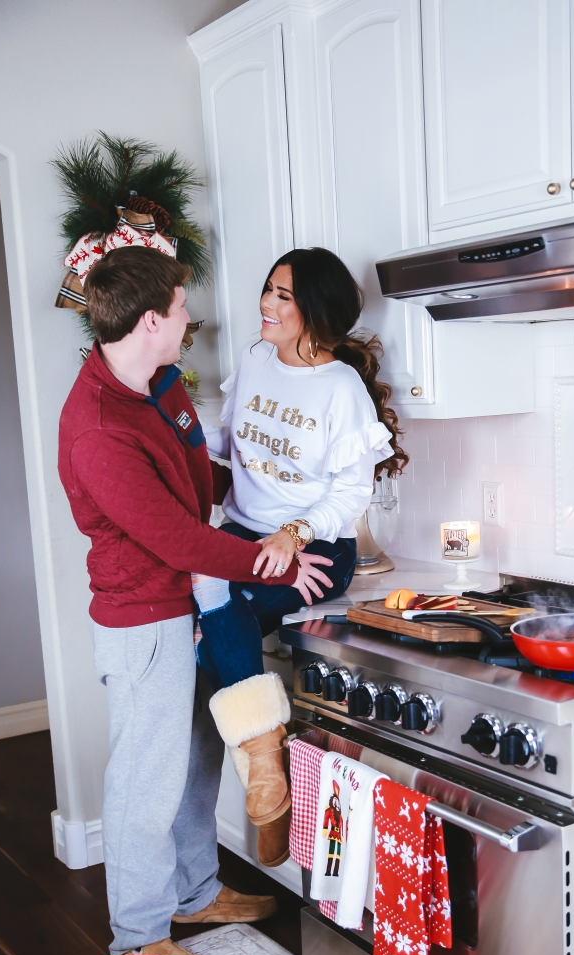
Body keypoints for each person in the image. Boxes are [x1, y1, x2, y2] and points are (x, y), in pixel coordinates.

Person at [57, 246, 333, 955]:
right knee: (144, 786)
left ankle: (197, 894)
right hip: (144, 624)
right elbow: (176, 538)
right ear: (151, 319)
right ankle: (140, 942)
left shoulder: (161, 383)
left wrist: (283, 495)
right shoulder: (98, 430)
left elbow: (199, 480)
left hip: (192, 607)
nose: (190, 321)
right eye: (181, 311)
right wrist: (272, 564)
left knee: (197, 754)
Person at [193, 247, 408, 870]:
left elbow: (350, 493)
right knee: (211, 607)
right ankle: (266, 768)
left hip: (313, 548)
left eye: (284, 296)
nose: (267, 302)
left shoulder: (341, 389)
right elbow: (230, 440)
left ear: (314, 311)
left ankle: (265, 779)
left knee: (210, 628)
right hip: (243, 535)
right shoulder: (257, 358)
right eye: (269, 289)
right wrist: (167, 434)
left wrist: (293, 534)